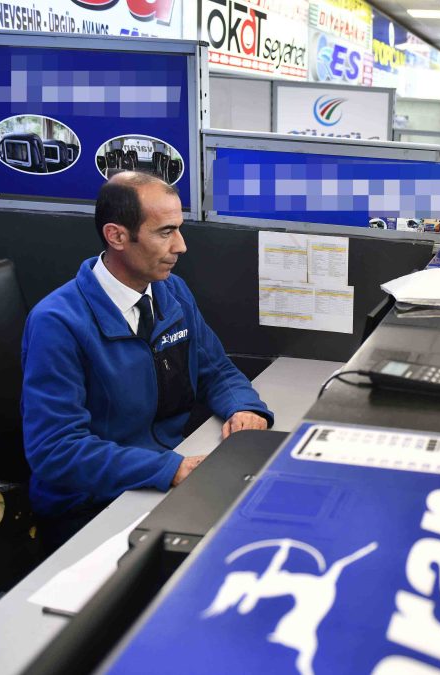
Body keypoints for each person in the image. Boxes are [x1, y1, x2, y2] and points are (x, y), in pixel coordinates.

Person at [21, 172, 273, 552]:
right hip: (92, 506)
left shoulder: (170, 291)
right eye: (165, 232)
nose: (182, 246)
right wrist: (169, 469)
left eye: (179, 229)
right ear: (117, 236)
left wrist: (245, 407)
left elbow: (215, 369)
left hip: (162, 476)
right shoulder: (57, 322)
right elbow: (56, 450)